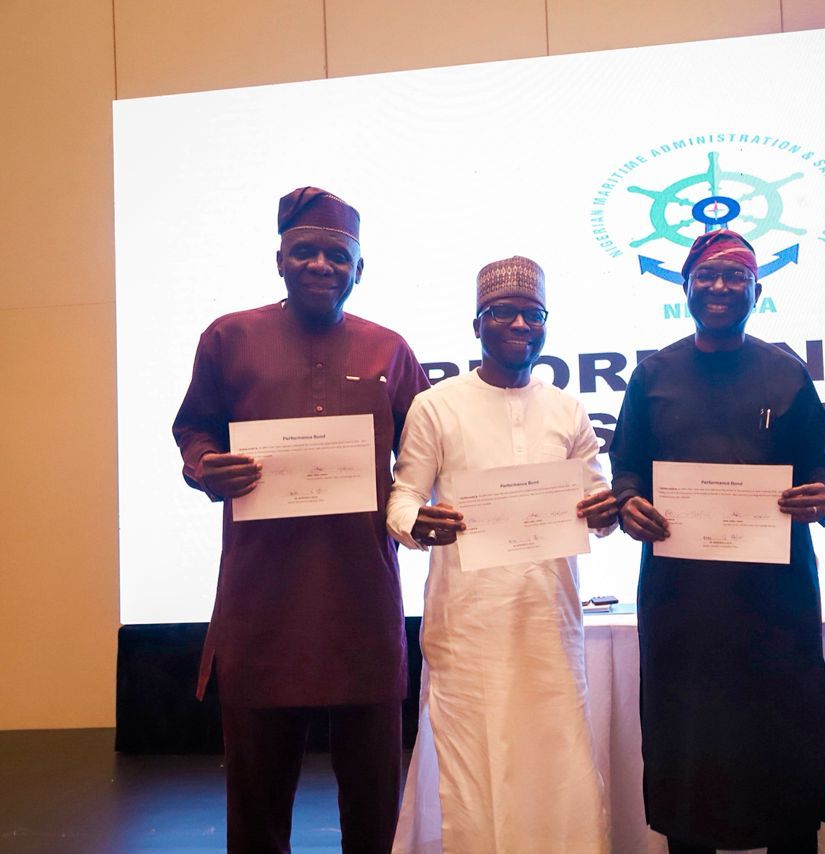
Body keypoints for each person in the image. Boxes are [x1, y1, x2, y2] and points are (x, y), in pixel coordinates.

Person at [172, 187, 430, 853]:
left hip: (361, 589)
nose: (321, 265)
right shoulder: (229, 337)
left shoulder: (389, 349)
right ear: (280, 261)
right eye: (305, 252)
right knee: (256, 789)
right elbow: (194, 427)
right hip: (263, 591)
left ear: (359, 269)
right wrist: (205, 466)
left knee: (374, 787)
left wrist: (424, 505)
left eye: (337, 256)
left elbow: (428, 453)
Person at [609, 230, 825, 854]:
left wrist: (821, 493)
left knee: (782, 736)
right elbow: (626, 467)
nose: (719, 287)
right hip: (683, 600)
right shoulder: (653, 374)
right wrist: (629, 502)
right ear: (685, 287)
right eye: (706, 276)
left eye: (735, 277)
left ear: (756, 291)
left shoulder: (786, 372)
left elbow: (822, 466)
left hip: (775, 598)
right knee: (689, 742)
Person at [387, 255, 617, 853]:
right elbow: (404, 496)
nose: (520, 325)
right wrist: (417, 524)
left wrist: (606, 513)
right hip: (468, 623)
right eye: (503, 313)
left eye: (533, 315)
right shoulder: (437, 405)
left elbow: (595, 495)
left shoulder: (566, 408)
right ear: (477, 325)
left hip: (549, 619)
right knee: (474, 762)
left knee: (559, 755)